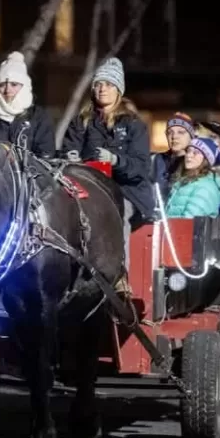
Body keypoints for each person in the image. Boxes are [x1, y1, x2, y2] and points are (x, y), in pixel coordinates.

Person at [60, 57, 152, 291]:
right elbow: (68, 147)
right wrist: (71, 157)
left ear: (119, 90)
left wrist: (116, 160)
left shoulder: (133, 125)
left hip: (127, 192)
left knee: (117, 213)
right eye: (98, 84)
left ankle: (119, 275)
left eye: (109, 84)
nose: (102, 89)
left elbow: (141, 168)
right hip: (89, 187)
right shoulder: (82, 121)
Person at [165, 137, 220, 218]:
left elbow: (189, 222)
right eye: (188, 151)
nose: (189, 155)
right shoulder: (184, 182)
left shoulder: (206, 187)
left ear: (206, 159)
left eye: (195, 152)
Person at [152, 112, 194, 199]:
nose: (174, 136)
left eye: (181, 132)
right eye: (170, 132)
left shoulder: (197, 162)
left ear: (191, 136)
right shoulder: (157, 160)